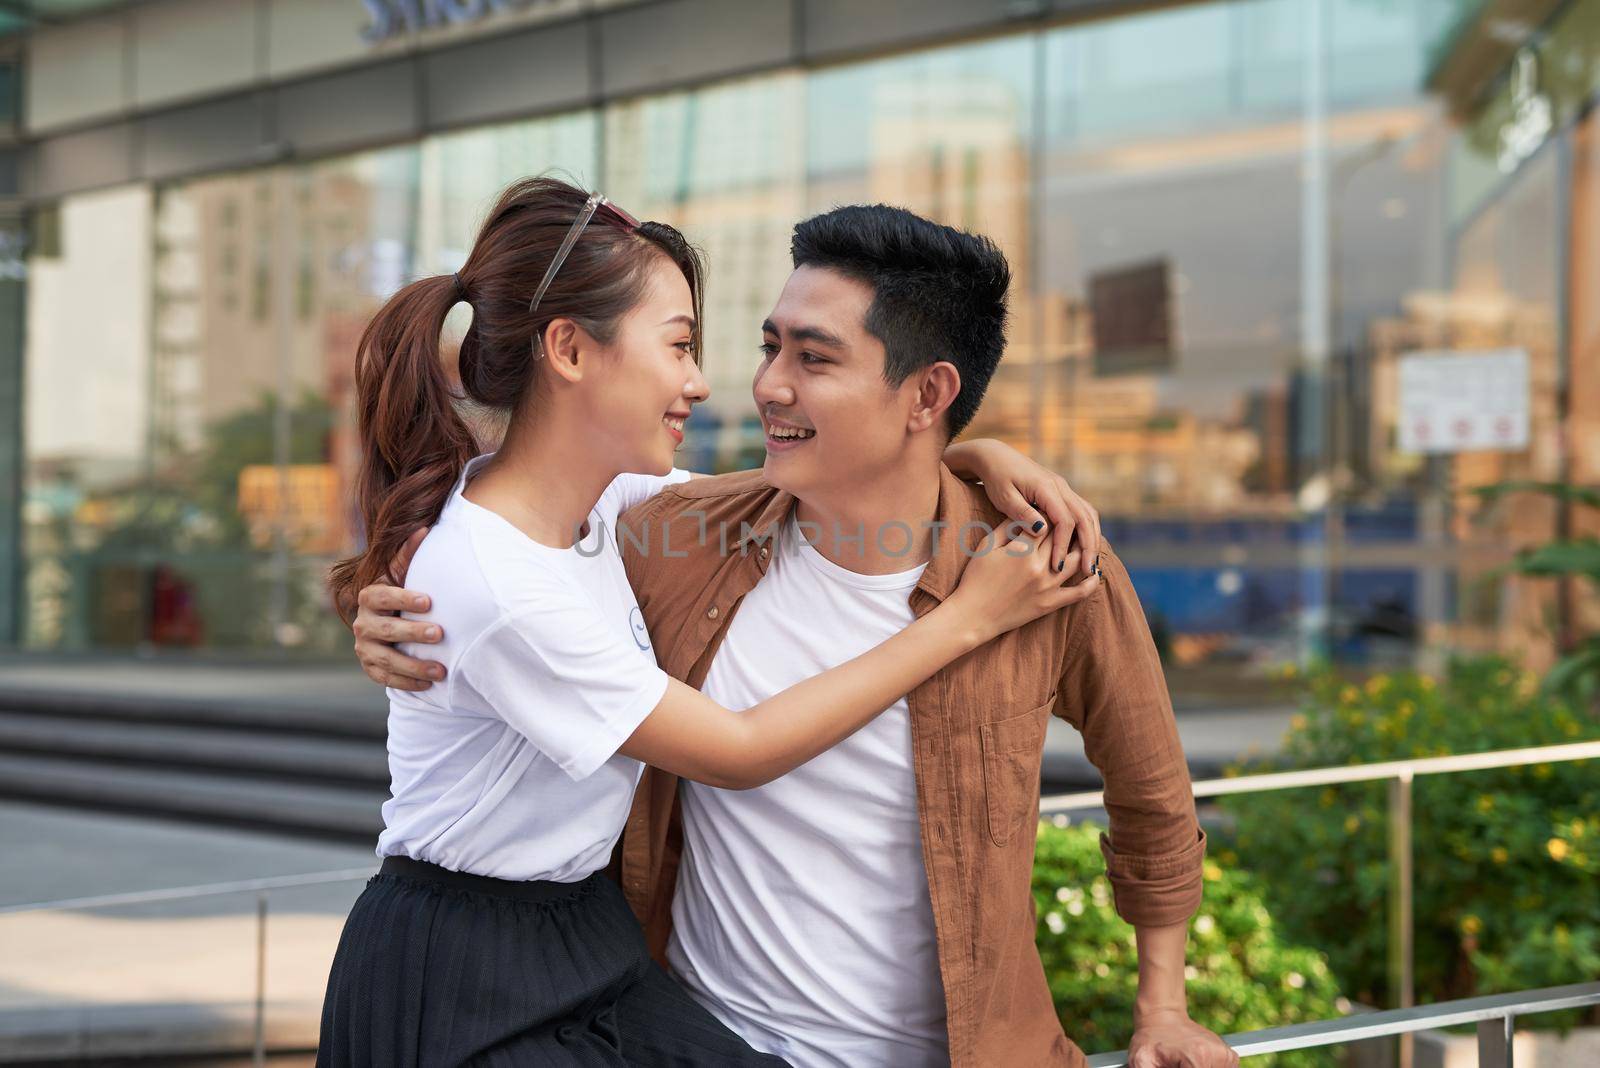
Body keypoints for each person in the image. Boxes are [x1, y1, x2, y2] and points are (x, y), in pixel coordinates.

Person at [320, 178, 1103, 1068]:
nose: (701, 381)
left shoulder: (609, 500)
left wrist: (966, 450)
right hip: (464, 966)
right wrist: (967, 620)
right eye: (681, 345)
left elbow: (810, 480)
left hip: (580, 931)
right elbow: (738, 750)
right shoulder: (497, 582)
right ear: (570, 349)